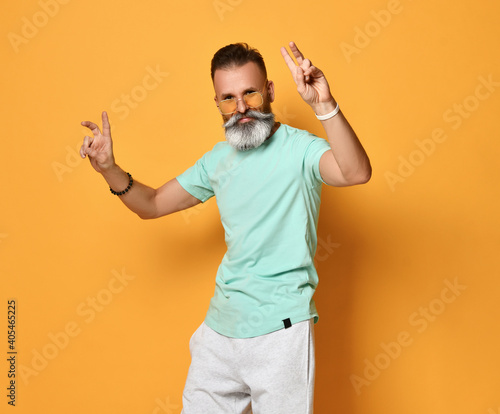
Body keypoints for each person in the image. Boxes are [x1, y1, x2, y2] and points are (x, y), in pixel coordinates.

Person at [80, 41, 371, 414]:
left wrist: (324, 107)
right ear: (216, 103)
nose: (241, 108)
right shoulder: (217, 161)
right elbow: (151, 205)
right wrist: (108, 169)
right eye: (228, 98)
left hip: (280, 331)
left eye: (250, 92)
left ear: (269, 91)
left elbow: (356, 172)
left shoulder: (300, 149)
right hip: (219, 332)